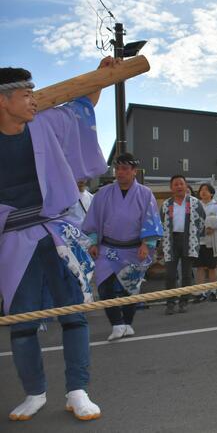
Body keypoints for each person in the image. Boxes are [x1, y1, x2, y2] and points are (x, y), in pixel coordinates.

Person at [0, 59, 114, 421]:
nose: (34, 101)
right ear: (3, 101)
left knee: (73, 311)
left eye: (35, 94)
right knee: (23, 320)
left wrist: (101, 75)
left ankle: (77, 390)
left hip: (57, 229)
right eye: (26, 95)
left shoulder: (44, 122)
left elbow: (82, 107)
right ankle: (34, 392)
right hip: (13, 240)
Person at [82, 152, 163, 341]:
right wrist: (93, 241)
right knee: (104, 286)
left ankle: (127, 323)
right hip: (108, 248)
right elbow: (92, 219)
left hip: (134, 248)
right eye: (117, 169)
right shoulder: (103, 193)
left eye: (125, 169)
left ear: (134, 171)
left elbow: (151, 220)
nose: (120, 172)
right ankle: (117, 324)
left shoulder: (145, 193)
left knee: (131, 288)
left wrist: (147, 244)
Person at [161, 175, 206, 315]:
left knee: (186, 274)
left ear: (186, 186)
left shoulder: (194, 203)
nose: (179, 186)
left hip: (189, 239)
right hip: (171, 240)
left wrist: (196, 236)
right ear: (171, 187)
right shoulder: (166, 204)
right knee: (170, 274)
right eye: (176, 184)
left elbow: (202, 220)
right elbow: (161, 222)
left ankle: (184, 301)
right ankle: (170, 303)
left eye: (181, 184)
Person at [192, 183, 217, 303]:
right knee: (199, 267)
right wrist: (208, 224)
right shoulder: (196, 205)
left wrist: (212, 225)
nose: (203, 192)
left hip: (211, 241)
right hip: (198, 242)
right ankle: (201, 292)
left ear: (211, 193)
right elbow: (193, 221)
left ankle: (213, 291)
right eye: (201, 190)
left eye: (206, 190)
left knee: (212, 267)